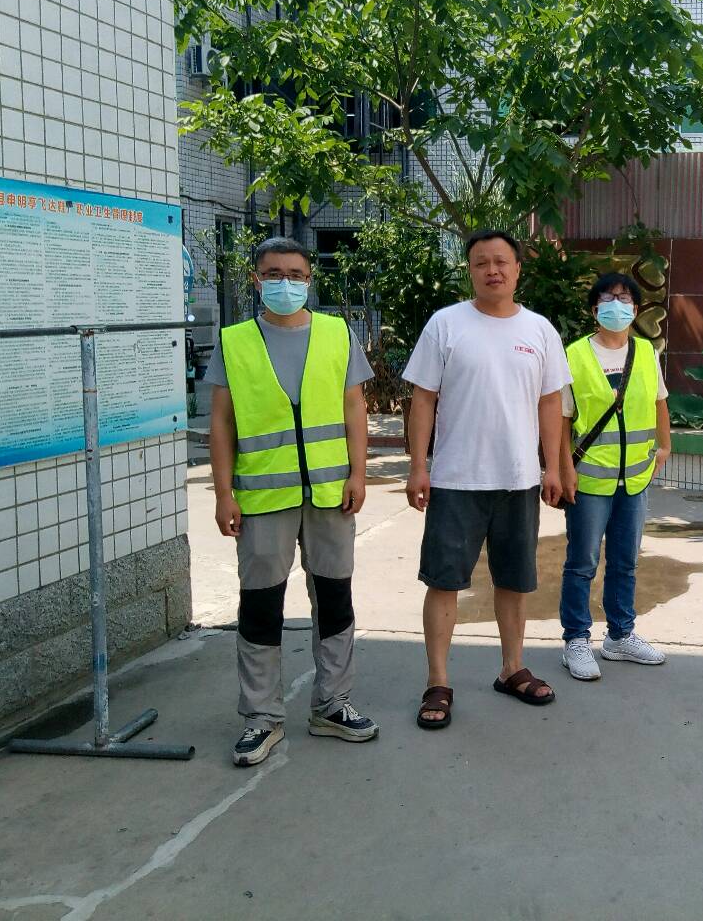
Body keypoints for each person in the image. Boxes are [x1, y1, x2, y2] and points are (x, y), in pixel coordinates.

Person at [206, 236, 379, 767]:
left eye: (296, 274)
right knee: (261, 606)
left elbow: (354, 407)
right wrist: (223, 493)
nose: (286, 283)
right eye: (274, 274)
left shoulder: (336, 333)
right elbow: (221, 422)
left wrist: (359, 474)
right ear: (256, 281)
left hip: (330, 493)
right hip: (263, 496)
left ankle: (332, 704)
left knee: (335, 600)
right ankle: (262, 717)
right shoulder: (234, 341)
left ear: (310, 280)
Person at [402, 229, 570, 729]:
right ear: (470, 270)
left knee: (514, 580)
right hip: (456, 478)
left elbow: (550, 404)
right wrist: (418, 465)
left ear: (518, 269)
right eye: (481, 263)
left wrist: (553, 466)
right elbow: (423, 399)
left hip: (519, 479)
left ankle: (512, 668)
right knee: (444, 581)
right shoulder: (445, 324)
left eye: (501, 261)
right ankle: (437, 680)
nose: (492, 270)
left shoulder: (540, 330)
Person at [557, 272, 671, 681]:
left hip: (635, 479)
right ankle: (576, 640)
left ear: (636, 310)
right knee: (582, 562)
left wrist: (664, 445)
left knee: (625, 561)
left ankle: (620, 635)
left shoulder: (646, 352)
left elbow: (659, 400)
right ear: (594, 310)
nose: (616, 306)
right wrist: (562, 469)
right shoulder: (574, 355)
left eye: (624, 299)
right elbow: (562, 418)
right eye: (607, 299)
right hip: (590, 479)